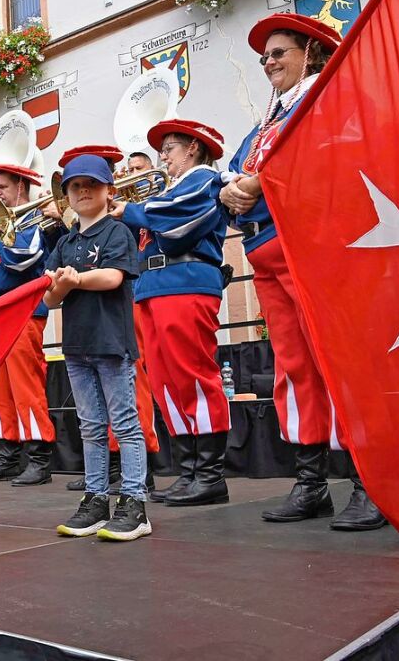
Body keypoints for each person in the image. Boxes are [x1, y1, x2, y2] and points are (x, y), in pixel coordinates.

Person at [219, 12, 385, 531]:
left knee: (340, 363)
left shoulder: (324, 105)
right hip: (267, 256)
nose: (267, 63)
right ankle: (311, 482)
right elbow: (240, 176)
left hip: (313, 251)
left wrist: (262, 185)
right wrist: (229, 193)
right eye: (264, 56)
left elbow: (333, 164)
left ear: (309, 54)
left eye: (278, 53)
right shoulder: (264, 123)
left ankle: (371, 482)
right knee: (295, 368)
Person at [112, 120, 232, 507]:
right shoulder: (168, 189)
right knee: (166, 381)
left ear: (194, 149)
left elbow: (179, 222)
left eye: (169, 148)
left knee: (193, 375)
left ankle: (210, 475)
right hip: (155, 285)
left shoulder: (203, 179)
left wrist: (128, 208)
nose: (162, 157)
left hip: (186, 279)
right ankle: (189, 470)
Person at [45, 154, 150, 541]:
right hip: (76, 346)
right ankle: (96, 498)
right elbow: (51, 300)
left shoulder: (116, 232)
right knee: (90, 426)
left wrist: (74, 281)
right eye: (75, 186)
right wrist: (59, 284)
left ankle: (135, 503)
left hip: (111, 344)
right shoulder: (66, 242)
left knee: (124, 423)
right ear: (67, 196)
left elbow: (112, 277)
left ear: (109, 190)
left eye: (91, 184)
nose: (83, 191)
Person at [0, 164, 55, 486]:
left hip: (24, 311)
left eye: (3, 187)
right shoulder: (1, 221)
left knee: (25, 387)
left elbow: (20, 259)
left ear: (21, 186)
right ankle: (9, 455)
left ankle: (39, 458)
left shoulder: (33, 220)